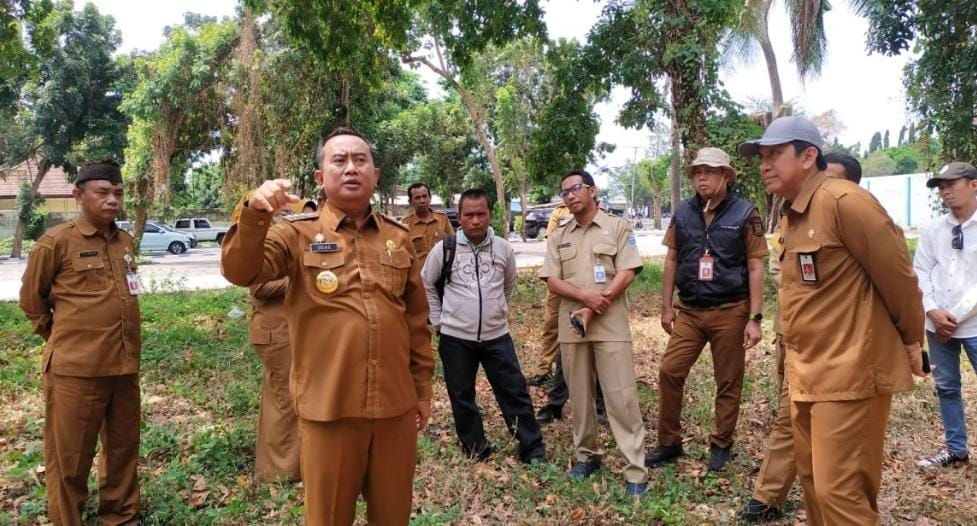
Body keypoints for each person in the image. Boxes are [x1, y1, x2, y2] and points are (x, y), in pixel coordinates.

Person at [220, 127, 434, 525]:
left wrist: (422, 389)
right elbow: (241, 271)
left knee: (394, 515)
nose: (350, 168)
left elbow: (416, 320)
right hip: (329, 408)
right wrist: (253, 214)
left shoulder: (397, 237)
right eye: (339, 160)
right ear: (321, 177)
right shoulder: (295, 233)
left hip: (394, 406)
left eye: (360, 160)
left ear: (375, 173)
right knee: (328, 516)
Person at [739, 116, 926, 525]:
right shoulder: (792, 214)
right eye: (762, 156)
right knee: (812, 484)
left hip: (850, 372)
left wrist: (912, 341)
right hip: (806, 371)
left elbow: (899, 279)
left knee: (840, 493)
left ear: (809, 156)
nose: (765, 165)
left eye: (775, 154)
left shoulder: (845, 202)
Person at [740, 152, 863, 522]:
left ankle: (776, 495)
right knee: (792, 415)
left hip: (843, 346)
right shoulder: (793, 219)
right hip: (793, 335)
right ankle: (780, 494)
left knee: (817, 423)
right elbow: (782, 267)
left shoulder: (857, 221)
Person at [19, 159, 142, 526]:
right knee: (70, 459)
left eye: (118, 193)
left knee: (122, 450)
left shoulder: (125, 241)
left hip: (123, 367)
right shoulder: (55, 243)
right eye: (102, 193)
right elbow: (32, 301)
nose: (112, 201)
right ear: (78, 195)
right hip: (76, 372)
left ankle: (120, 516)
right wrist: (64, 339)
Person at [646, 147, 767, 472]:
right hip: (690, 311)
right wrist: (666, 306)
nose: (702, 177)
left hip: (730, 310)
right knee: (670, 371)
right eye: (698, 172)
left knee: (728, 380)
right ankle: (669, 443)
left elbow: (756, 267)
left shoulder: (745, 213)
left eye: (710, 171)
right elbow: (671, 258)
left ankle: (721, 444)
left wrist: (755, 318)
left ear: (726, 176)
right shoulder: (683, 211)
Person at [539, 169, 649, 497]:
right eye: (565, 192)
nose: (570, 196)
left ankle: (635, 470)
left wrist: (597, 303)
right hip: (572, 323)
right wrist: (585, 298)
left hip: (610, 323)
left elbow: (628, 270)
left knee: (621, 396)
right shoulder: (559, 234)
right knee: (580, 396)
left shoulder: (617, 227)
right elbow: (551, 279)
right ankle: (587, 456)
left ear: (591, 190)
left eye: (575, 189)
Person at [422, 188, 546, 463]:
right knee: (461, 395)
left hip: (496, 336)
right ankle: (475, 447)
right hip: (455, 338)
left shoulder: (502, 248)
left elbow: (508, 285)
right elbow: (427, 282)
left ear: (490, 215)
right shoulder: (446, 248)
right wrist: (439, 319)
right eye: (469, 215)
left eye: (481, 214)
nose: (475, 220)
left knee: (514, 392)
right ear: (460, 218)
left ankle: (532, 448)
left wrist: (498, 311)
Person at [913, 161, 977, 469]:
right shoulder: (933, 229)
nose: (945, 191)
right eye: (941, 186)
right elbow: (920, 272)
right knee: (947, 387)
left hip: (972, 324)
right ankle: (956, 449)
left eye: (952, 184)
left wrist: (953, 316)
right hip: (937, 324)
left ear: (973, 184)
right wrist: (932, 311)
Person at [526, 203, 572, 386]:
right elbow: (552, 240)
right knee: (551, 323)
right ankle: (544, 369)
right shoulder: (559, 212)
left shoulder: (600, 213)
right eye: (566, 191)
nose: (570, 195)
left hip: (587, 279)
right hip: (559, 276)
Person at [403, 182, 454, 263]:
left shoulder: (442, 219)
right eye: (417, 198)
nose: (422, 200)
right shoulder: (405, 224)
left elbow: (453, 244)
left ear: (430, 198)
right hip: (418, 274)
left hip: (441, 272)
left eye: (425, 196)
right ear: (410, 202)